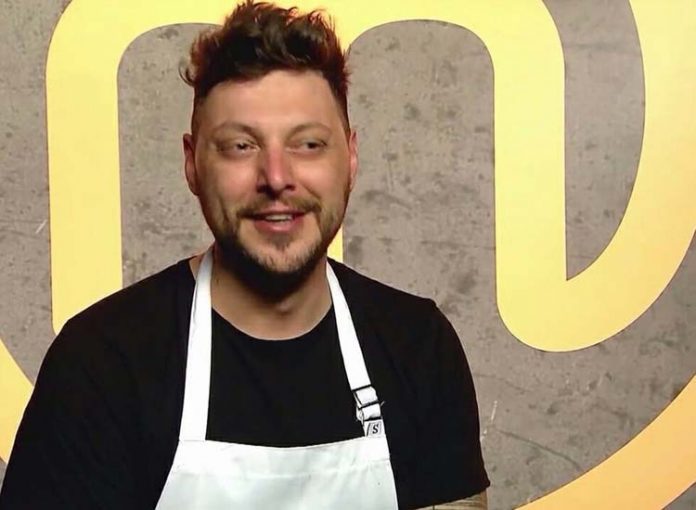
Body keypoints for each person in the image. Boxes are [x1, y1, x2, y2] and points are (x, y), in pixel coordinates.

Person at [0, 1, 489, 508]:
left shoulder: (418, 347)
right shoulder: (100, 364)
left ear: (351, 157)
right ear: (192, 164)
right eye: (240, 146)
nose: (276, 177)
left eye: (308, 144)